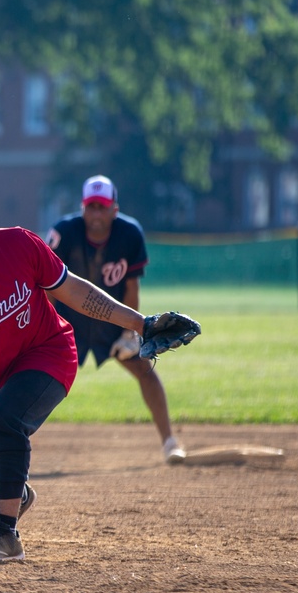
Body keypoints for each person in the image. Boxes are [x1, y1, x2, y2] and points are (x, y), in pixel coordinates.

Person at [0, 174, 164, 563]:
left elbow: (76, 290)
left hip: (49, 353)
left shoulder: (17, 244)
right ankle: (16, 497)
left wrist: (141, 324)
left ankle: (5, 535)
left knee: (7, 418)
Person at [46, 175, 185, 465]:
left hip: (112, 321)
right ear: (83, 208)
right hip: (67, 324)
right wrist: (46, 329)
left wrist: (128, 332)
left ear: (114, 209)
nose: (96, 214)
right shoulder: (63, 232)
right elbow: (48, 288)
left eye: (102, 207)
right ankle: (9, 449)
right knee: (32, 376)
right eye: (91, 206)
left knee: (145, 371)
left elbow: (132, 287)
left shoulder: (129, 233)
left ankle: (170, 442)